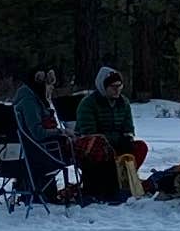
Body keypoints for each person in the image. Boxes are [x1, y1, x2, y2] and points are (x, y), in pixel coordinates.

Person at [69, 63, 149, 202]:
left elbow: (128, 127)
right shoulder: (88, 104)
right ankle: (108, 186)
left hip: (117, 144)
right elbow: (89, 133)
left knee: (140, 147)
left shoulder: (123, 103)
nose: (117, 90)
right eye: (113, 87)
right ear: (103, 87)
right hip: (94, 148)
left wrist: (127, 137)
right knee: (101, 149)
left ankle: (126, 179)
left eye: (119, 86)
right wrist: (116, 139)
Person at [8, 62, 73, 202]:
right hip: (38, 153)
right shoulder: (29, 101)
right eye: (50, 85)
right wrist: (61, 132)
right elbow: (37, 133)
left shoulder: (32, 98)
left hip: (29, 152)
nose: (52, 88)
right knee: (81, 149)